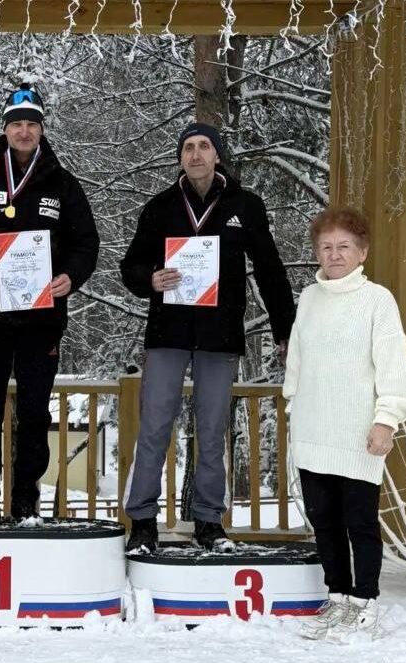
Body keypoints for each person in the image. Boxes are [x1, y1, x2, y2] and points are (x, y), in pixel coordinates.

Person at [120, 122, 295, 553]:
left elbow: (270, 270)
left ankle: (209, 522)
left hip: (220, 336)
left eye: (204, 147)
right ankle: (142, 520)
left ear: (217, 155)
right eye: (188, 148)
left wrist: (285, 329)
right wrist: (150, 279)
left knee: (213, 429)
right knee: (156, 425)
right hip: (168, 333)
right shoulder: (160, 207)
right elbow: (130, 267)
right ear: (180, 157)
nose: (195, 154)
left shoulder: (246, 206)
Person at [0, 83, 99, 525]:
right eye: (17, 124)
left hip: (41, 320)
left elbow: (87, 243)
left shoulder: (62, 184)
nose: (24, 131)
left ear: (42, 129)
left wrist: (72, 276)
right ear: (5, 129)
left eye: (32, 124)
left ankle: (27, 502)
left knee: (33, 412)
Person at [284, 206, 406, 640]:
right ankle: (338, 597)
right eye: (326, 246)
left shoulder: (377, 300)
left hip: (358, 435)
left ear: (362, 252)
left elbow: (394, 367)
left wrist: (387, 420)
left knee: (359, 522)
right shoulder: (308, 298)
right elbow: (297, 364)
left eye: (344, 246)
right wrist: (293, 410)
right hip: (313, 431)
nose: (334, 254)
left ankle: (365, 602)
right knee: (324, 521)